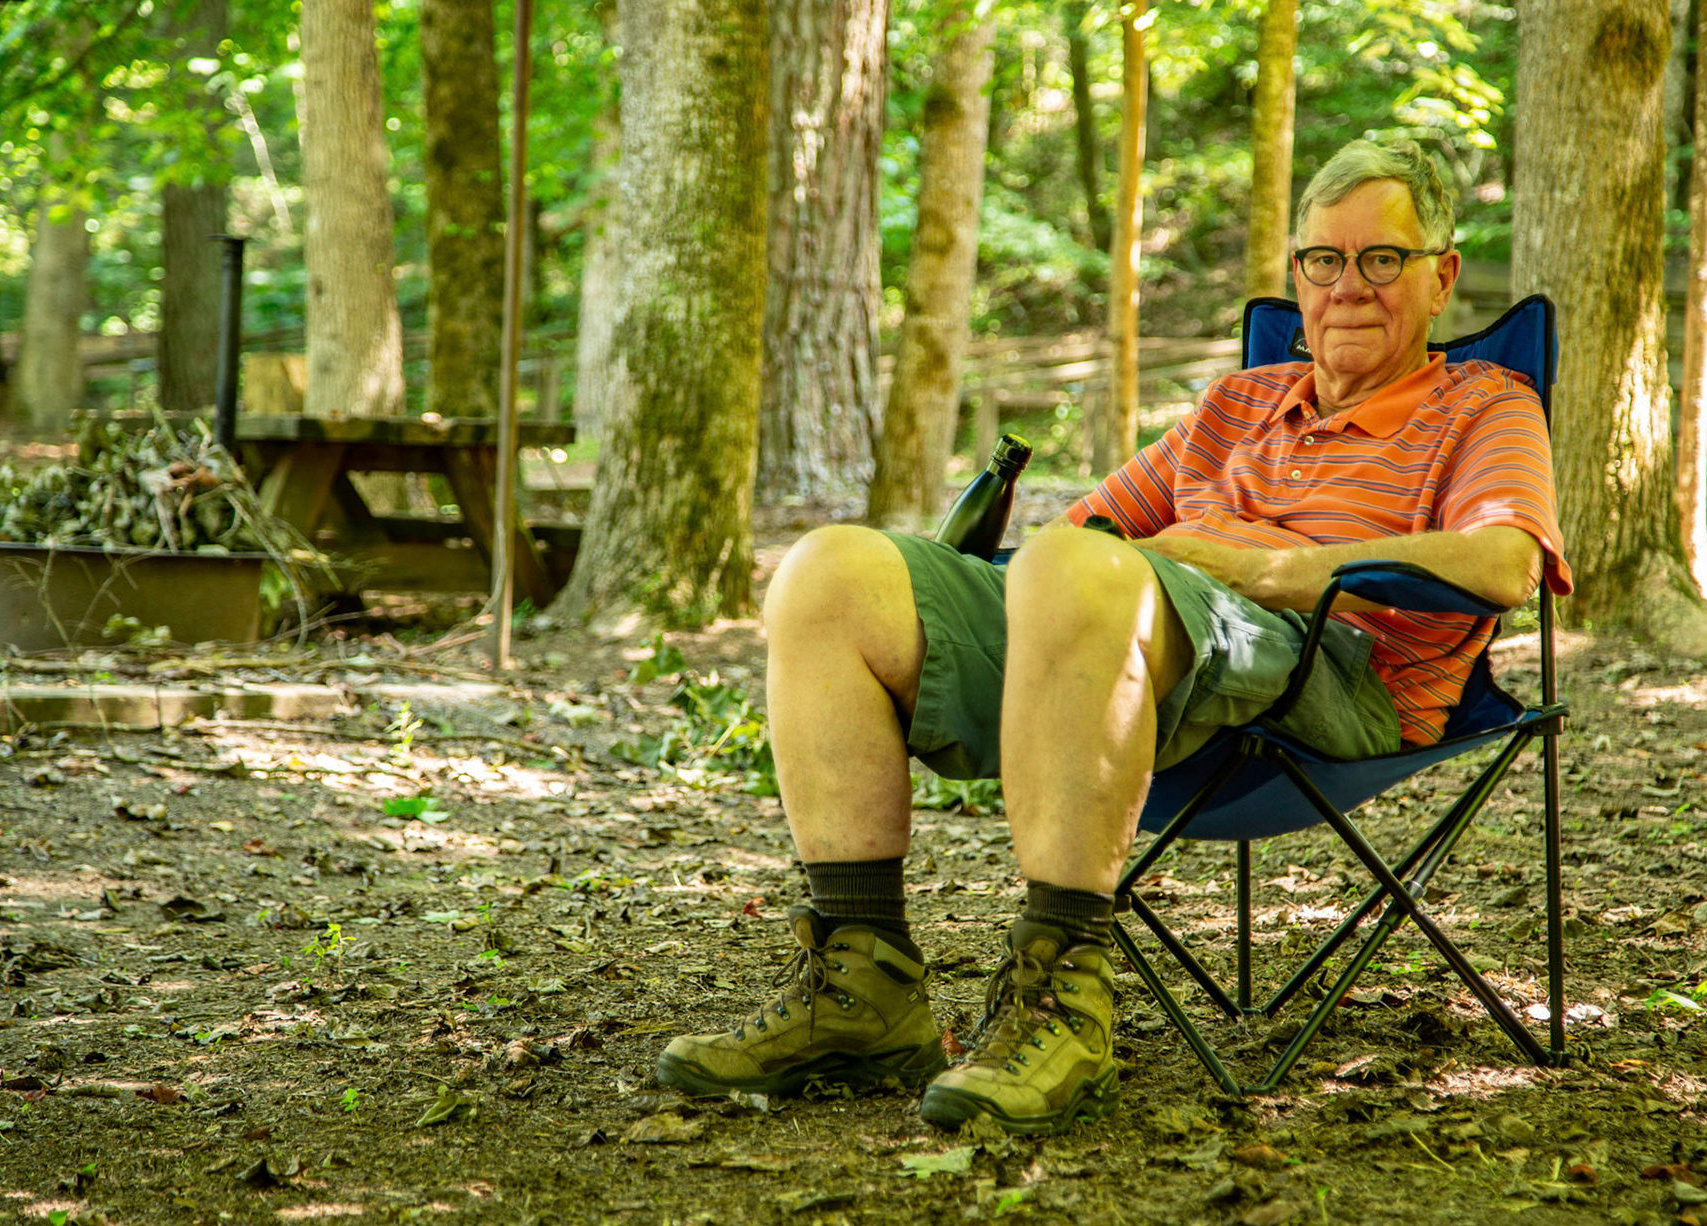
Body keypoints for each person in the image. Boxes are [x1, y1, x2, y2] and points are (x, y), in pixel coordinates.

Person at [654, 138, 1572, 1136]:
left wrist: (1265, 568)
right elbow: (1077, 536)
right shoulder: (1237, 403)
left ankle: (1065, 1001)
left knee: (1080, 569)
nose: (1348, 286)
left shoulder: (1484, 404)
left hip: (1336, 672)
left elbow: (1504, 563)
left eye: (1381, 259)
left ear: (1442, 277)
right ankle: (860, 985)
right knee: (830, 572)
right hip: (1160, 647)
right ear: (1299, 274)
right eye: (1323, 259)